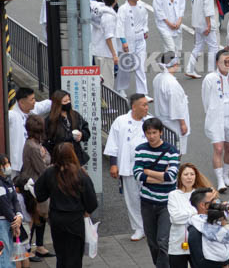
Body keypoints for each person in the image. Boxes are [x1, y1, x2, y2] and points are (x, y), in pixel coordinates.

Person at [34, 144, 97, 268]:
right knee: (74, 258)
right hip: (75, 221)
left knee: (61, 255)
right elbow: (92, 203)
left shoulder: (50, 172)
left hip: (57, 219)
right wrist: (85, 210)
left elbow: (39, 193)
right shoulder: (81, 174)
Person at [104, 93, 151, 241]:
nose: (146, 107)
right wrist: (113, 164)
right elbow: (113, 143)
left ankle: (150, 227)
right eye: (143, 105)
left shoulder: (150, 121)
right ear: (134, 106)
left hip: (148, 168)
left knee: (148, 198)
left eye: (147, 104)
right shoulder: (121, 121)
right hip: (128, 167)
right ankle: (139, 228)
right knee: (132, 199)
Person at [135, 117, 180, 268]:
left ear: (161, 132)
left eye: (155, 132)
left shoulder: (171, 151)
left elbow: (171, 177)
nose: (152, 136)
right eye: (149, 133)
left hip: (166, 203)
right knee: (152, 242)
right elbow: (138, 175)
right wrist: (159, 177)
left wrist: (148, 172)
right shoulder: (140, 149)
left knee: (163, 241)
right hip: (147, 202)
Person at [203, 50, 229, 192]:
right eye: (224, 61)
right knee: (218, 148)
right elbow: (206, 101)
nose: (228, 64)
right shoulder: (209, 78)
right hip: (216, 118)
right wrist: (212, 114)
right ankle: (220, 180)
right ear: (217, 62)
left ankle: (226, 175)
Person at [18, 115, 49, 261]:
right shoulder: (33, 146)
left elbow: (47, 158)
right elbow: (43, 168)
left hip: (36, 185)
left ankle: (40, 247)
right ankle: (28, 250)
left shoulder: (35, 143)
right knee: (34, 218)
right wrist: (44, 158)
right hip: (34, 186)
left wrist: (45, 158)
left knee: (40, 217)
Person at [169, 163, 212, 268]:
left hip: (198, 243)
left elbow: (205, 214)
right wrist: (194, 212)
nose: (189, 177)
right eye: (186, 174)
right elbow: (175, 218)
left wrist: (186, 214)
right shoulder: (173, 195)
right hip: (178, 243)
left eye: (192, 174)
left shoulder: (201, 194)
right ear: (180, 177)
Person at [152, 53, 191, 156]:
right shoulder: (172, 84)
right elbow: (176, 106)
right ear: (175, 64)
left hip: (162, 120)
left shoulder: (158, 78)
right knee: (176, 153)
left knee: (165, 152)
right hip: (173, 124)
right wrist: (183, 124)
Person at [8, 88, 51, 178]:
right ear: (21, 102)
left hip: (35, 158)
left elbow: (47, 104)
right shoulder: (12, 115)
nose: (34, 101)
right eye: (31, 99)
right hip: (18, 163)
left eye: (34, 98)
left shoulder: (33, 110)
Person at [43, 90, 90, 171]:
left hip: (76, 156)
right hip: (59, 158)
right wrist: (70, 137)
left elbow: (86, 129)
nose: (68, 103)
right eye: (65, 101)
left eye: (69, 100)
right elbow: (49, 140)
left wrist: (82, 134)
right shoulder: (50, 121)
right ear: (57, 104)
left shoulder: (75, 115)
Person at [187, 0, 220, 78]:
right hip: (205, 23)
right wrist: (209, 24)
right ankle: (212, 71)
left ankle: (189, 68)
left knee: (198, 46)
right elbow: (208, 9)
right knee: (213, 46)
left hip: (197, 21)